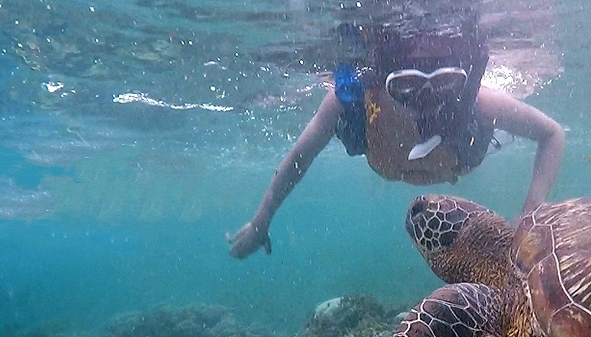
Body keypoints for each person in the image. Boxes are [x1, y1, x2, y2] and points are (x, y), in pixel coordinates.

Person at [227, 21, 565, 259]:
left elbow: (552, 134)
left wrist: (529, 218)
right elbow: (298, 160)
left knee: (487, 132)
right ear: (379, 79)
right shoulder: (350, 101)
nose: (425, 103)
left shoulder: (477, 104)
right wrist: (261, 221)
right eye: (406, 86)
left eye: (442, 83)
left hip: (465, 152)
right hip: (400, 155)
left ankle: (496, 136)